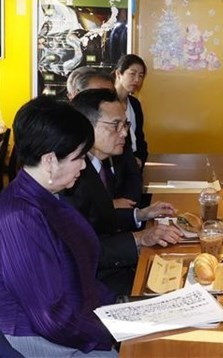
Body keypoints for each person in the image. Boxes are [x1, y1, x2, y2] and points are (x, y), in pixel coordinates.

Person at [0, 96, 117, 356]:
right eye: (78, 157)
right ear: (50, 160)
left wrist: (120, 311)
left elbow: (81, 273)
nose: (84, 166)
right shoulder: (19, 217)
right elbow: (49, 317)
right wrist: (112, 332)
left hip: (76, 320)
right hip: (40, 337)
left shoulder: (47, 196)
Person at [63, 89, 182, 296]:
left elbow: (99, 217)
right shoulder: (72, 176)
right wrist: (140, 238)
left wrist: (140, 215)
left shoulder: (97, 165)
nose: (125, 133)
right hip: (92, 283)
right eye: (115, 125)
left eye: (125, 124)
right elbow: (80, 249)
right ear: (86, 126)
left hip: (112, 265)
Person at [67, 67, 143, 206]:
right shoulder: (71, 163)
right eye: (96, 95)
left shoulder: (115, 139)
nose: (124, 133)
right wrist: (110, 206)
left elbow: (132, 177)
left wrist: (135, 214)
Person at [114, 54, 148, 169]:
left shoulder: (134, 104)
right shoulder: (107, 103)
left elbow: (139, 137)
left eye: (141, 75)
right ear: (119, 74)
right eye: (132, 74)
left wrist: (140, 159)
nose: (137, 80)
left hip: (134, 166)